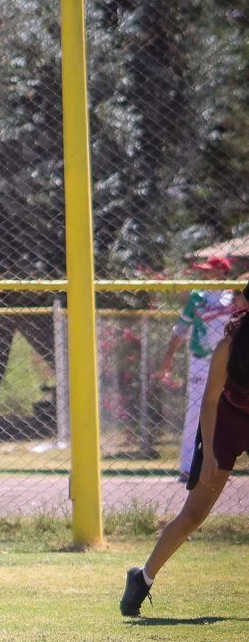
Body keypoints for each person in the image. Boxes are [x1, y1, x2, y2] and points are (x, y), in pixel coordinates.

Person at [120, 282, 249, 616]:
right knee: (194, 515)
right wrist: (208, 456)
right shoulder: (229, 346)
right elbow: (210, 401)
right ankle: (142, 578)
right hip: (227, 422)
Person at [159, 256, 236, 482]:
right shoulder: (197, 296)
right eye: (204, 270)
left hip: (228, 360)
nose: (205, 273)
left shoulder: (234, 296)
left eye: (210, 270)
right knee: (195, 410)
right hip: (201, 359)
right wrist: (168, 356)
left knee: (227, 412)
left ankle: (219, 465)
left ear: (222, 273)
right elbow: (181, 328)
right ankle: (187, 467)